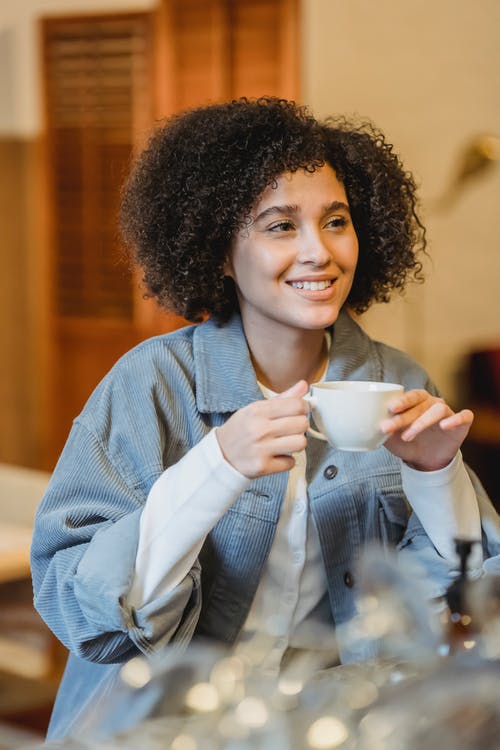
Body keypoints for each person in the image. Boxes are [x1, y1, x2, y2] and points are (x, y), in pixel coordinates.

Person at [31, 97, 500, 740]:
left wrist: (436, 475)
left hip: (329, 725)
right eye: (281, 226)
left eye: (335, 221)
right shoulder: (152, 383)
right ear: (221, 252)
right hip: (167, 727)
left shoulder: (397, 383)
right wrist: (216, 466)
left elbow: (464, 609)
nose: (319, 252)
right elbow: (79, 609)